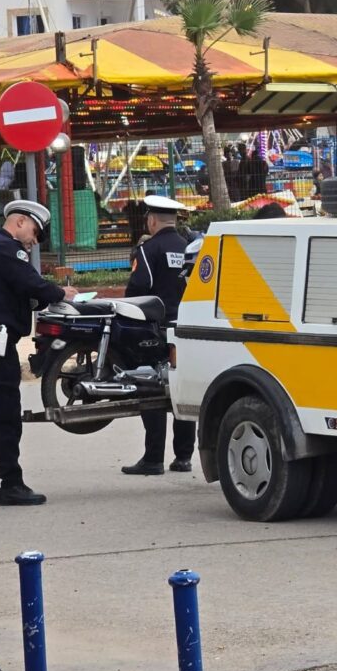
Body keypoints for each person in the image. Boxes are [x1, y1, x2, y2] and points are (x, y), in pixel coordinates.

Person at [0, 200, 78, 507]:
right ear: (20, 221)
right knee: (5, 414)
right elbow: (32, 284)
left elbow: (15, 293)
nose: (34, 241)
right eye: (35, 233)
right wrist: (61, 293)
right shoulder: (6, 249)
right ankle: (11, 483)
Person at [121, 195, 197, 476]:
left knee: (151, 387)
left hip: (155, 328)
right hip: (186, 328)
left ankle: (153, 458)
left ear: (151, 220)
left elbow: (138, 288)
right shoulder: (191, 248)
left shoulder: (148, 249)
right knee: (182, 387)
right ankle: (183, 457)